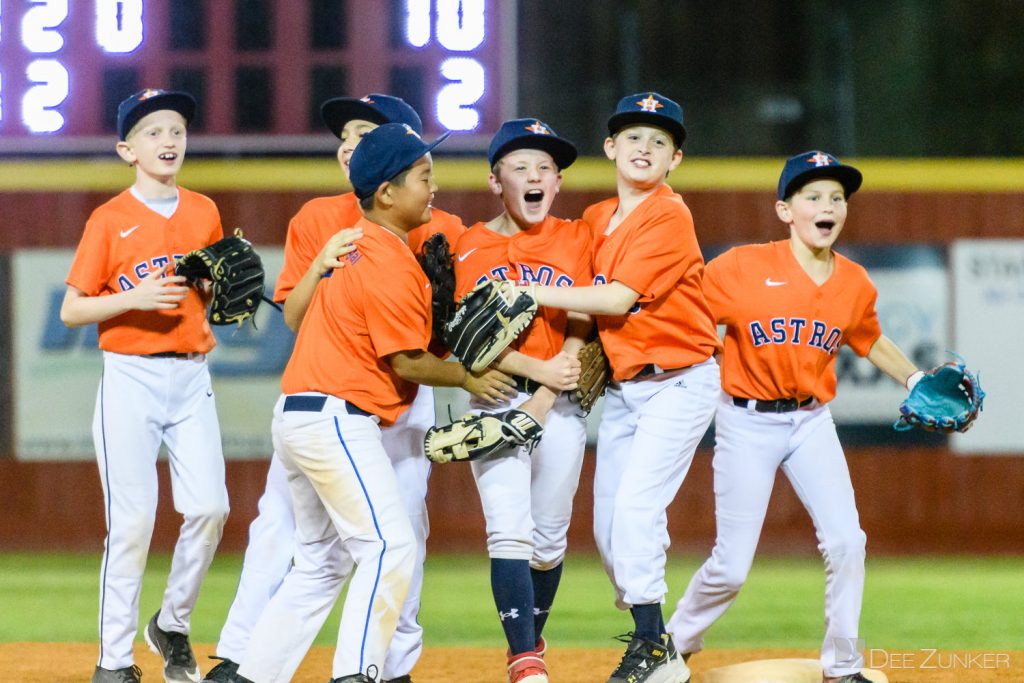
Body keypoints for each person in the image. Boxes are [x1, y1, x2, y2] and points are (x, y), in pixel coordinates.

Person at [230, 123, 514, 683]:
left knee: (319, 563)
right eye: (423, 177)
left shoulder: (357, 243)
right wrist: (469, 376)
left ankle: (250, 676)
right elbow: (405, 363)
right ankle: (357, 675)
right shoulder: (385, 258)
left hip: (299, 415)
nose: (433, 187)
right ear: (387, 191)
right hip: (336, 420)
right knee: (389, 549)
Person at [666, 152, 920, 683]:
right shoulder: (740, 267)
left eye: (836, 197)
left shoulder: (852, 282)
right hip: (745, 421)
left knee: (848, 541)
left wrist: (914, 379)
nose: (827, 206)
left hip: (810, 422)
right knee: (731, 566)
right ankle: (674, 642)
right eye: (813, 196)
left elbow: (868, 338)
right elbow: (686, 320)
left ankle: (842, 665)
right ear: (785, 210)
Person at [511, 92, 720, 683]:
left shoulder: (670, 215)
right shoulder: (597, 220)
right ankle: (659, 639)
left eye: (659, 141)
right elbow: (552, 255)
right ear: (610, 148)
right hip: (629, 390)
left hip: (681, 382)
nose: (645, 148)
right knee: (608, 528)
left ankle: (654, 647)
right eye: (633, 137)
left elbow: (615, 299)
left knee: (634, 510)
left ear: (675, 159)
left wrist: (528, 295)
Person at [61, 88, 230, 683]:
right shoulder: (109, 219)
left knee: (211, 507)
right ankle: (113, 662)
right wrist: (132, 297)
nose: (169, 141)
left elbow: (211, 296)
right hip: (130, 376)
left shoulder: (204, 211)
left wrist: (221, 292)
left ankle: (172, 623)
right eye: (154, 131)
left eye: (177, 130)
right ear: (126, 148)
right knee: (132, 522)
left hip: (191, 375)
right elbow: (72, 310)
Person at [450, 118, 591, 683]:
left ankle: (530, 637)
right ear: (494, 180)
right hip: (497, 397)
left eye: (545, 168)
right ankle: (524, 658)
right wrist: (532, 371)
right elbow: (467, 336)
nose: (534, 176)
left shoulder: (577, 237)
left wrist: (552, 381)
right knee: (509, 528)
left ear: (557, 182)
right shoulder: (469, 243)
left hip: (560, 404)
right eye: (520, 167)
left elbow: (583, 320)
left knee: (550, 537)